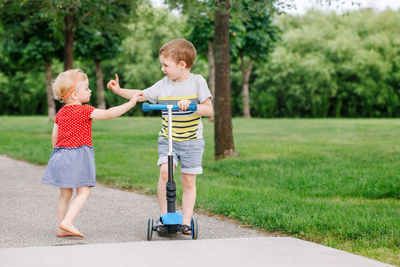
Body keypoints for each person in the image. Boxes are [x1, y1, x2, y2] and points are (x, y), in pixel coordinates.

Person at [107, 38, 213, 234]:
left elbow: (209, 109)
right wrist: (119, 90)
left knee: (188, 180)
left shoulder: (198, 82)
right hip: (168, 138)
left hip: (192, 140)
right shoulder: (163, 84)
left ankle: (187, 221)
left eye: (166, 65)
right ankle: (165, 217)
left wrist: (191, 106)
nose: (162, 69)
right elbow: (140, 95)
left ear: (182, 65)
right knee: (165, 172)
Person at [42, 69, 142, 238]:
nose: (90, 91)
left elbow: (54, 136)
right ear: (74, 95)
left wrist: (58, 153)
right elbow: (109, 114)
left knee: (65, 194)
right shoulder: (84, 110)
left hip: (60, 155)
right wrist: (130, 104)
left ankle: (61, 227)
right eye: (87, 88)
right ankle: (67, 222)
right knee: (84, 191)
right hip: (78, 155)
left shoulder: (60, 113)